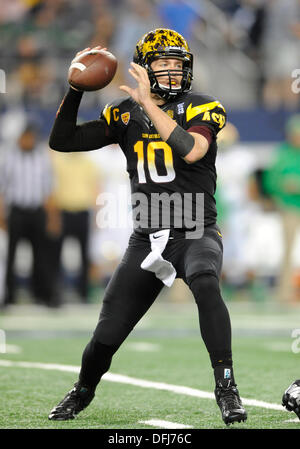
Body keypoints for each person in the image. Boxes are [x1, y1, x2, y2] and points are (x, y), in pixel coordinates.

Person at [48, 28, 247, 426]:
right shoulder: (123, 112)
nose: (173, 70)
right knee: (107, 332)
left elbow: (193, 150)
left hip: (195, 229)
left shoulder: (203, 107)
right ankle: (83, 389)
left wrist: (147, 105)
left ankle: (226, 386)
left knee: (206, 281)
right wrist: (75, 90)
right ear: (144, 67)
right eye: (163, 63)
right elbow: (63, 140)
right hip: (147, 235)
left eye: (178, 64)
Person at [0, 123, 60, 307]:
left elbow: (48, 190)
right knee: (10, 255)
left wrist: (52, 217)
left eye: (31, 137)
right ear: (19, 138)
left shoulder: (42, 158)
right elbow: (2, 189)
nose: (28, 140)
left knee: (41, 255)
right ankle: (8, 296)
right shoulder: (9, 158)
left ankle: (42, 295)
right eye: (25, 137)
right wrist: (2, 216)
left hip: (36, 211)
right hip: (17, 211)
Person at [263, 114, 300, 302]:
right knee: (288, 251)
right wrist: (281, 194)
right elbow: (271, 181)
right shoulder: (283, 154)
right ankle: (284, 293)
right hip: (290, 209)